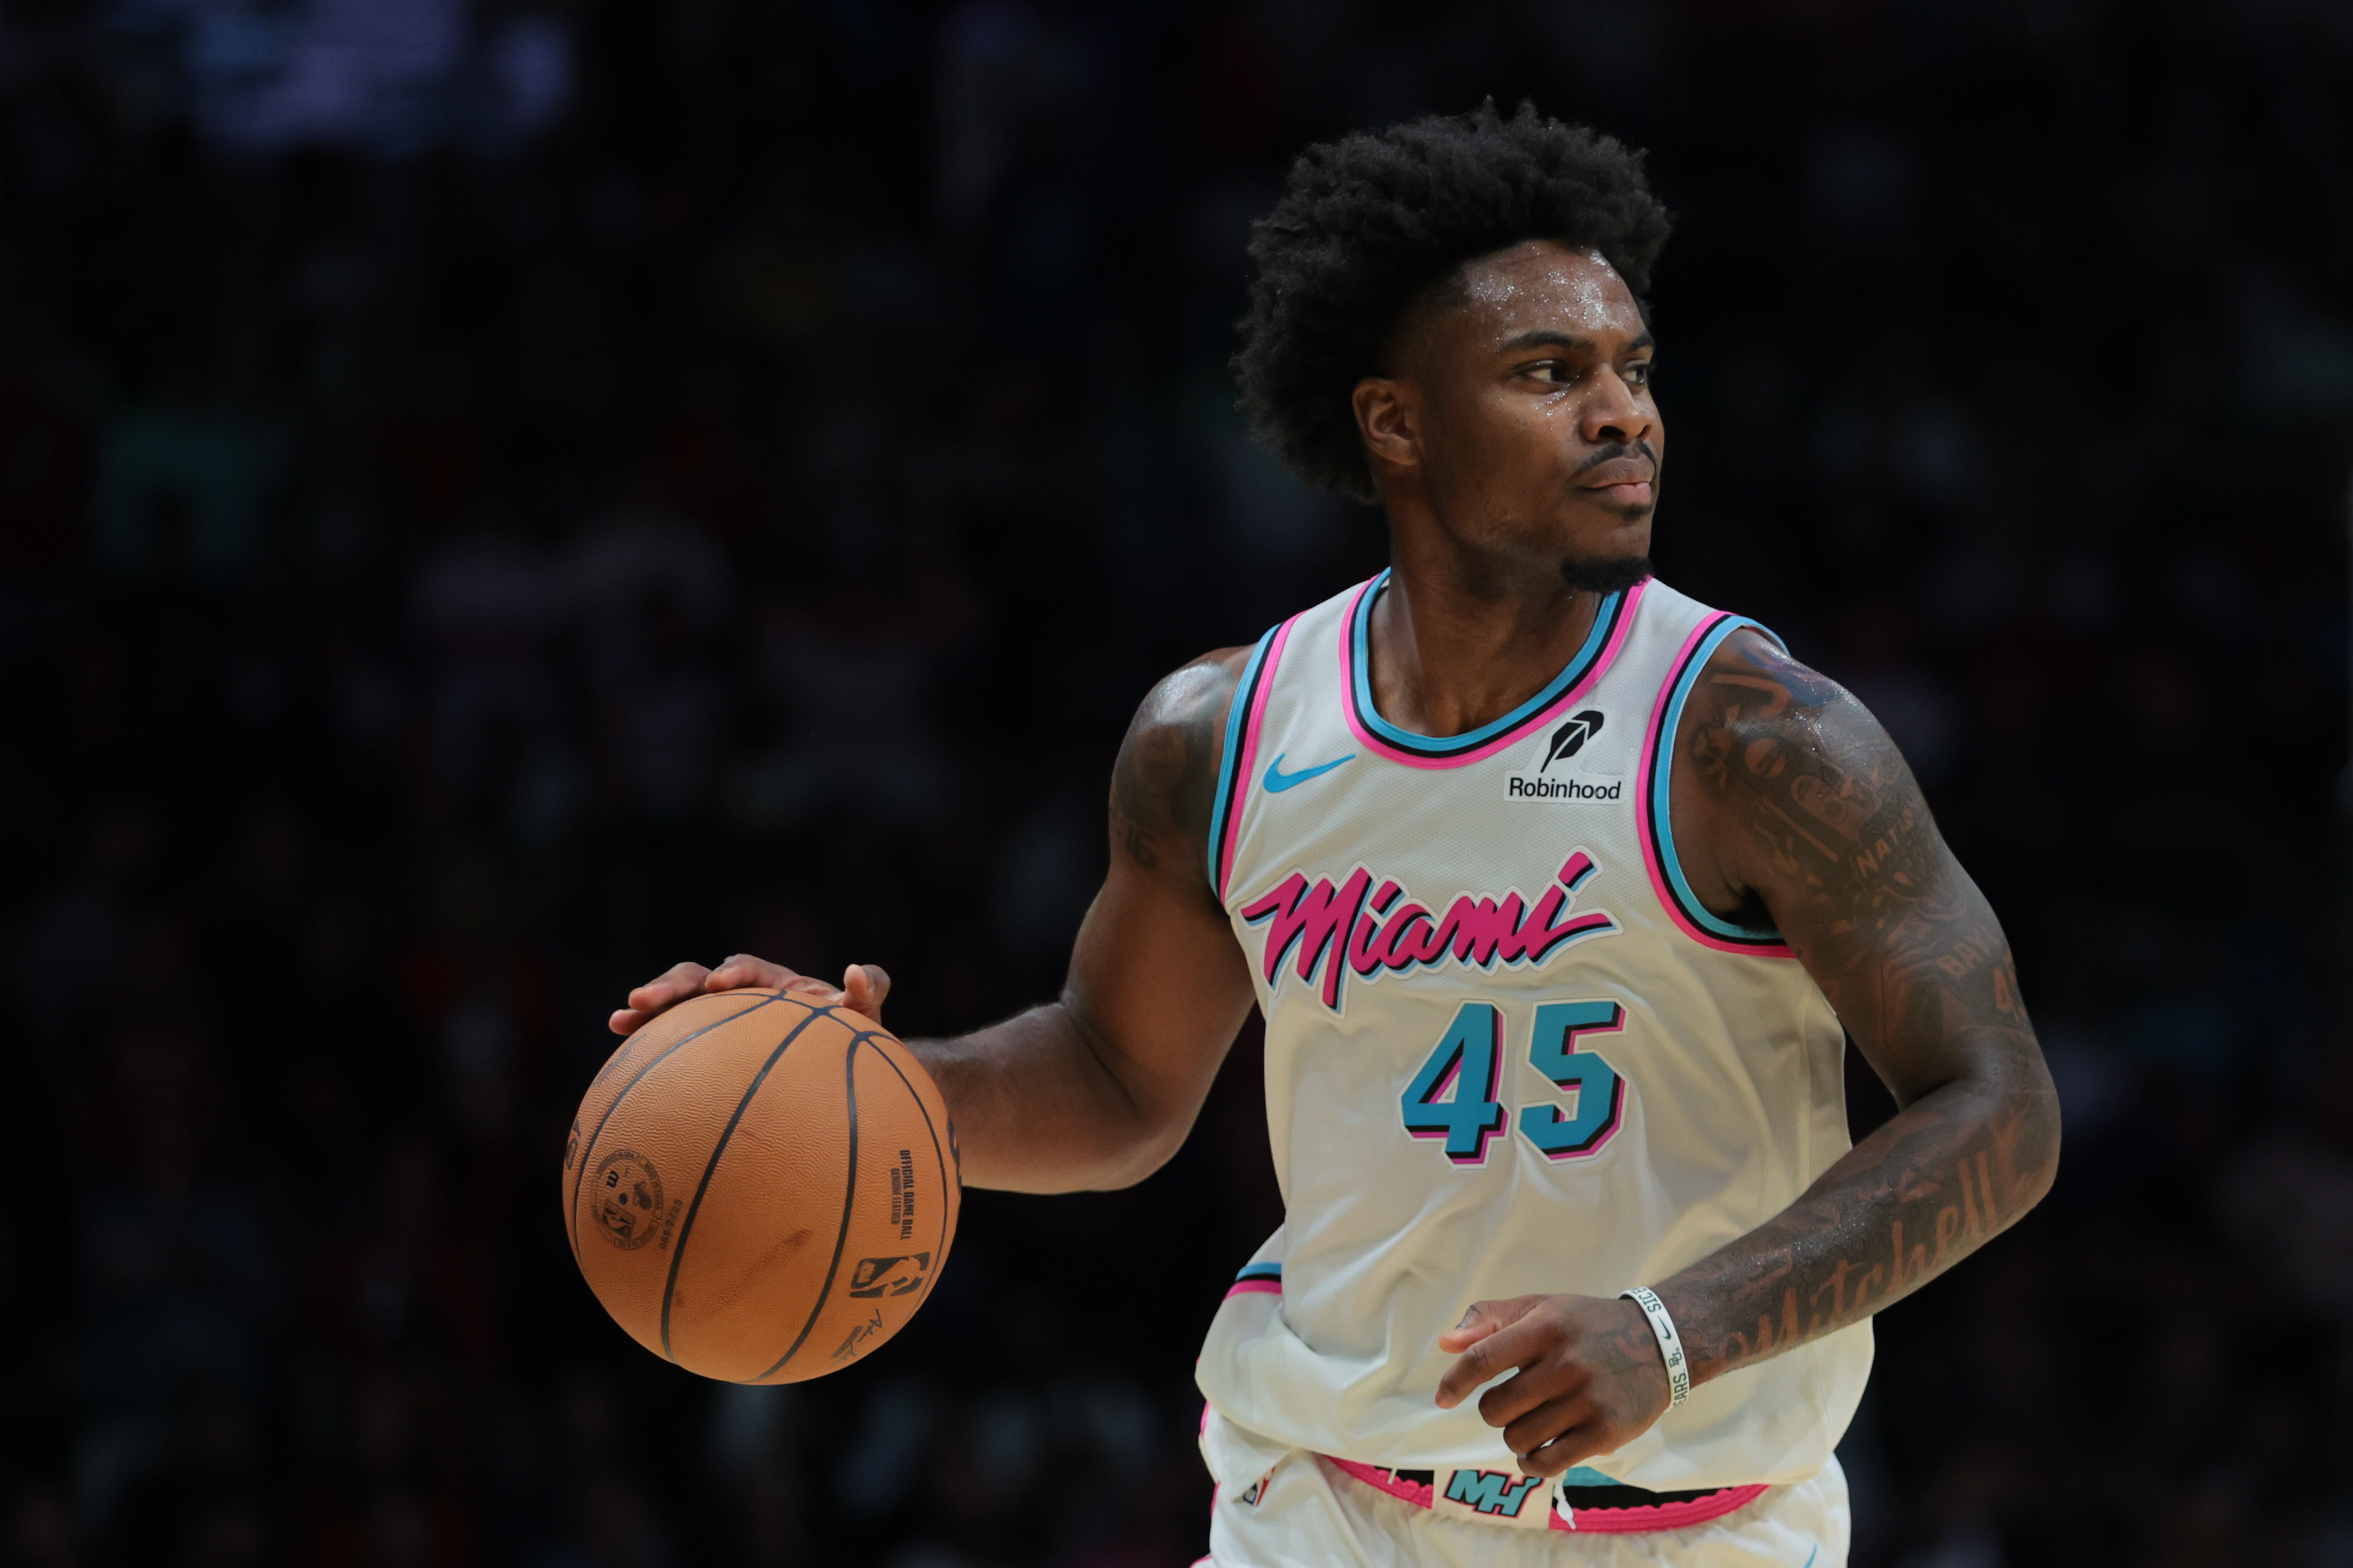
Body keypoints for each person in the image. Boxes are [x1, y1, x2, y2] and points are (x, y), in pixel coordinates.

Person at [611, 103, 2060, 1567]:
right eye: (1548, 373)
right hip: (1319, 1506)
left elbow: (2000, 1107)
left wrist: (1674, 1331)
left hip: (1688, 1522)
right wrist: (863, 1090)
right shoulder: (1218, 735)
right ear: (1396, 421)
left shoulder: (1751, 736)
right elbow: (1118, 1078)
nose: (1622, 413)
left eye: (1631, 369)